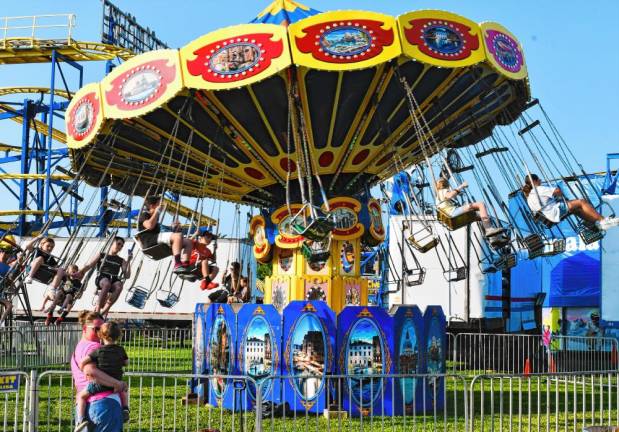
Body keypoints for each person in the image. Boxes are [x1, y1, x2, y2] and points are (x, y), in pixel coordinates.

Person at [71, 311, 126, 432]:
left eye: (101, 329)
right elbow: (90, 371)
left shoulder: (79, 347)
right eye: (96, 329)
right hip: (104, 404)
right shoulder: (94, 347)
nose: (100, 333)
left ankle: (80, 420)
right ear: (85, 328)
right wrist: (116, 384)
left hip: (87, 405)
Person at [523, 174, 619, 230]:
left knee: (576, 209)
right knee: (581, 202)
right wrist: (557, 194)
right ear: (535, 181)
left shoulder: (529, 197)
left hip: (547, 217)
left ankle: (595, 222)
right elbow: (558, 191)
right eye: (539, 179)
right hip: (554, 212)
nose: (541, 181)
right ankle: (603, 220)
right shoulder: (538, 189)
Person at [135, 196, 193, 273]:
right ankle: (177, 264)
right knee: (178, 236)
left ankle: (185, 265)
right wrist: (157, 212)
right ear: (152, 206)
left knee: (188, 242)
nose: (161, 207)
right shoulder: (144, 215)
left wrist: (174, 229)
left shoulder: (155, 218)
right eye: (159, 204)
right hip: (149, 240)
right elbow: (149, 226)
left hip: (156, 238)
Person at [80, 237, 132, 318]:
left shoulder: (121, 260)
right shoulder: (102, 255)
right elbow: (90, 265)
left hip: (114, 278)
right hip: (102, 277)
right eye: (118, 244)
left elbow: (127, 276)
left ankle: (104, 311)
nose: (120, 247)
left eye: (122, 246)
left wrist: (129, 262)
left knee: (119, 286)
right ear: (112, 243)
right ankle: (97, 310)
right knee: (107, 284)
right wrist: (81, 271)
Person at [435, 177, 504, 237]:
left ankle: (493, 237)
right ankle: (489, 229)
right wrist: (462, 186)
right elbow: (450, 195)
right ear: (446, 184)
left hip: (450, 214)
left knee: (480, 216)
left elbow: (448, 198)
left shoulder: (438, 196)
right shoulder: (443, 191)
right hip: (452, 213)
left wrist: (457, 193)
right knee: (480, 204)